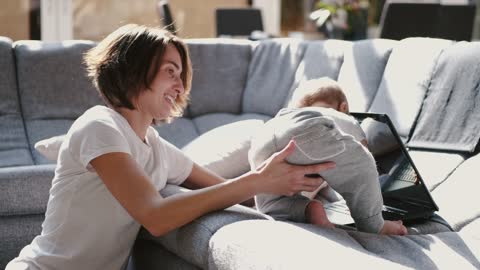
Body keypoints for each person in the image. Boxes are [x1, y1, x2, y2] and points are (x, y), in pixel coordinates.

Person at [6, 24, 335, 270]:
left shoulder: (156, 147)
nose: (180, 87)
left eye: (181, 76)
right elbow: (155, 216)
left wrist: (297, 191)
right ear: (134, 71)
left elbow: (225, 190)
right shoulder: (100, 126)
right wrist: (257, 180)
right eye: (170, 73)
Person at [249, 77, 408, 235]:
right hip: (308, 130)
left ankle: (308, 209)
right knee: (364, 163)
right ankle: (375, 224)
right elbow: (360, 152)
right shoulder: (339, 117)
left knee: (271, 202)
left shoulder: (286, 116)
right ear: (343, 107)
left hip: (263, 139)